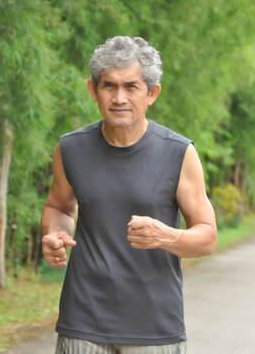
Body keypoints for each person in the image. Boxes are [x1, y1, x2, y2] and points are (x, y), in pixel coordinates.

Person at [41, 36, 218, 354]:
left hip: (154, 326)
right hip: (83, 320)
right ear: (93, 90)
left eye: (131, 87)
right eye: (109, 86)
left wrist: (166, 236)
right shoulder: (70, 148)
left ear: (152, 93)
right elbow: (60, 207)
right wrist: (55, 234)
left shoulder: (179, 153)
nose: (119, 98)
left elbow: (207, 237)